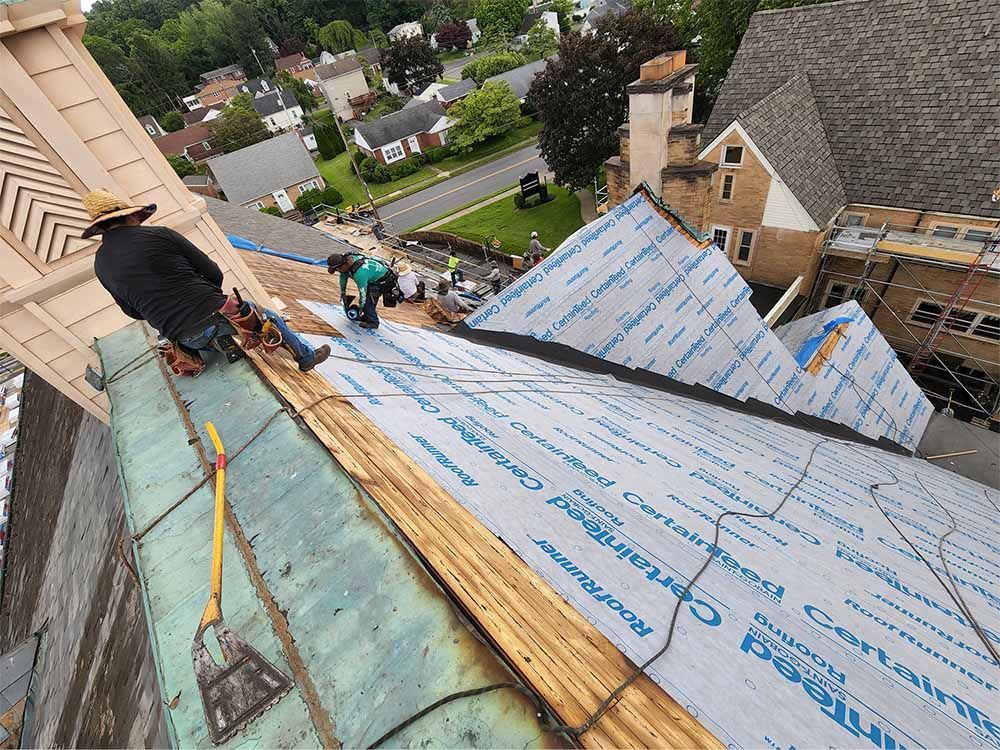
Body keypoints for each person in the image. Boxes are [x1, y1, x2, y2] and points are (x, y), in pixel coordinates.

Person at [85, 189, 330, 374]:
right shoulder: (160, 235)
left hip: (184, 339)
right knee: (268, 318)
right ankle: (305, 357)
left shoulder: (100, 264)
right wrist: (209, 299)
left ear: (101, 229)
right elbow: (212, 272)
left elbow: (132, 312)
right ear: (131, 216)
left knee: (208, 337)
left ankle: (216, 342)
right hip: (218, 318)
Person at [328, 251, 394, 329]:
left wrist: (361, 307)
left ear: (343, 266)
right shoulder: (346, 262)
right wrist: (343, 292)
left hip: (383, 281)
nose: (337, 271)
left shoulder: (360, 274)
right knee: (367, 300)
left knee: (368, 301)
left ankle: (373, 322)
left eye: (337, 269)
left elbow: (363, 293)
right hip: (372, 275)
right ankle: (366, 316)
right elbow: (343, 277)